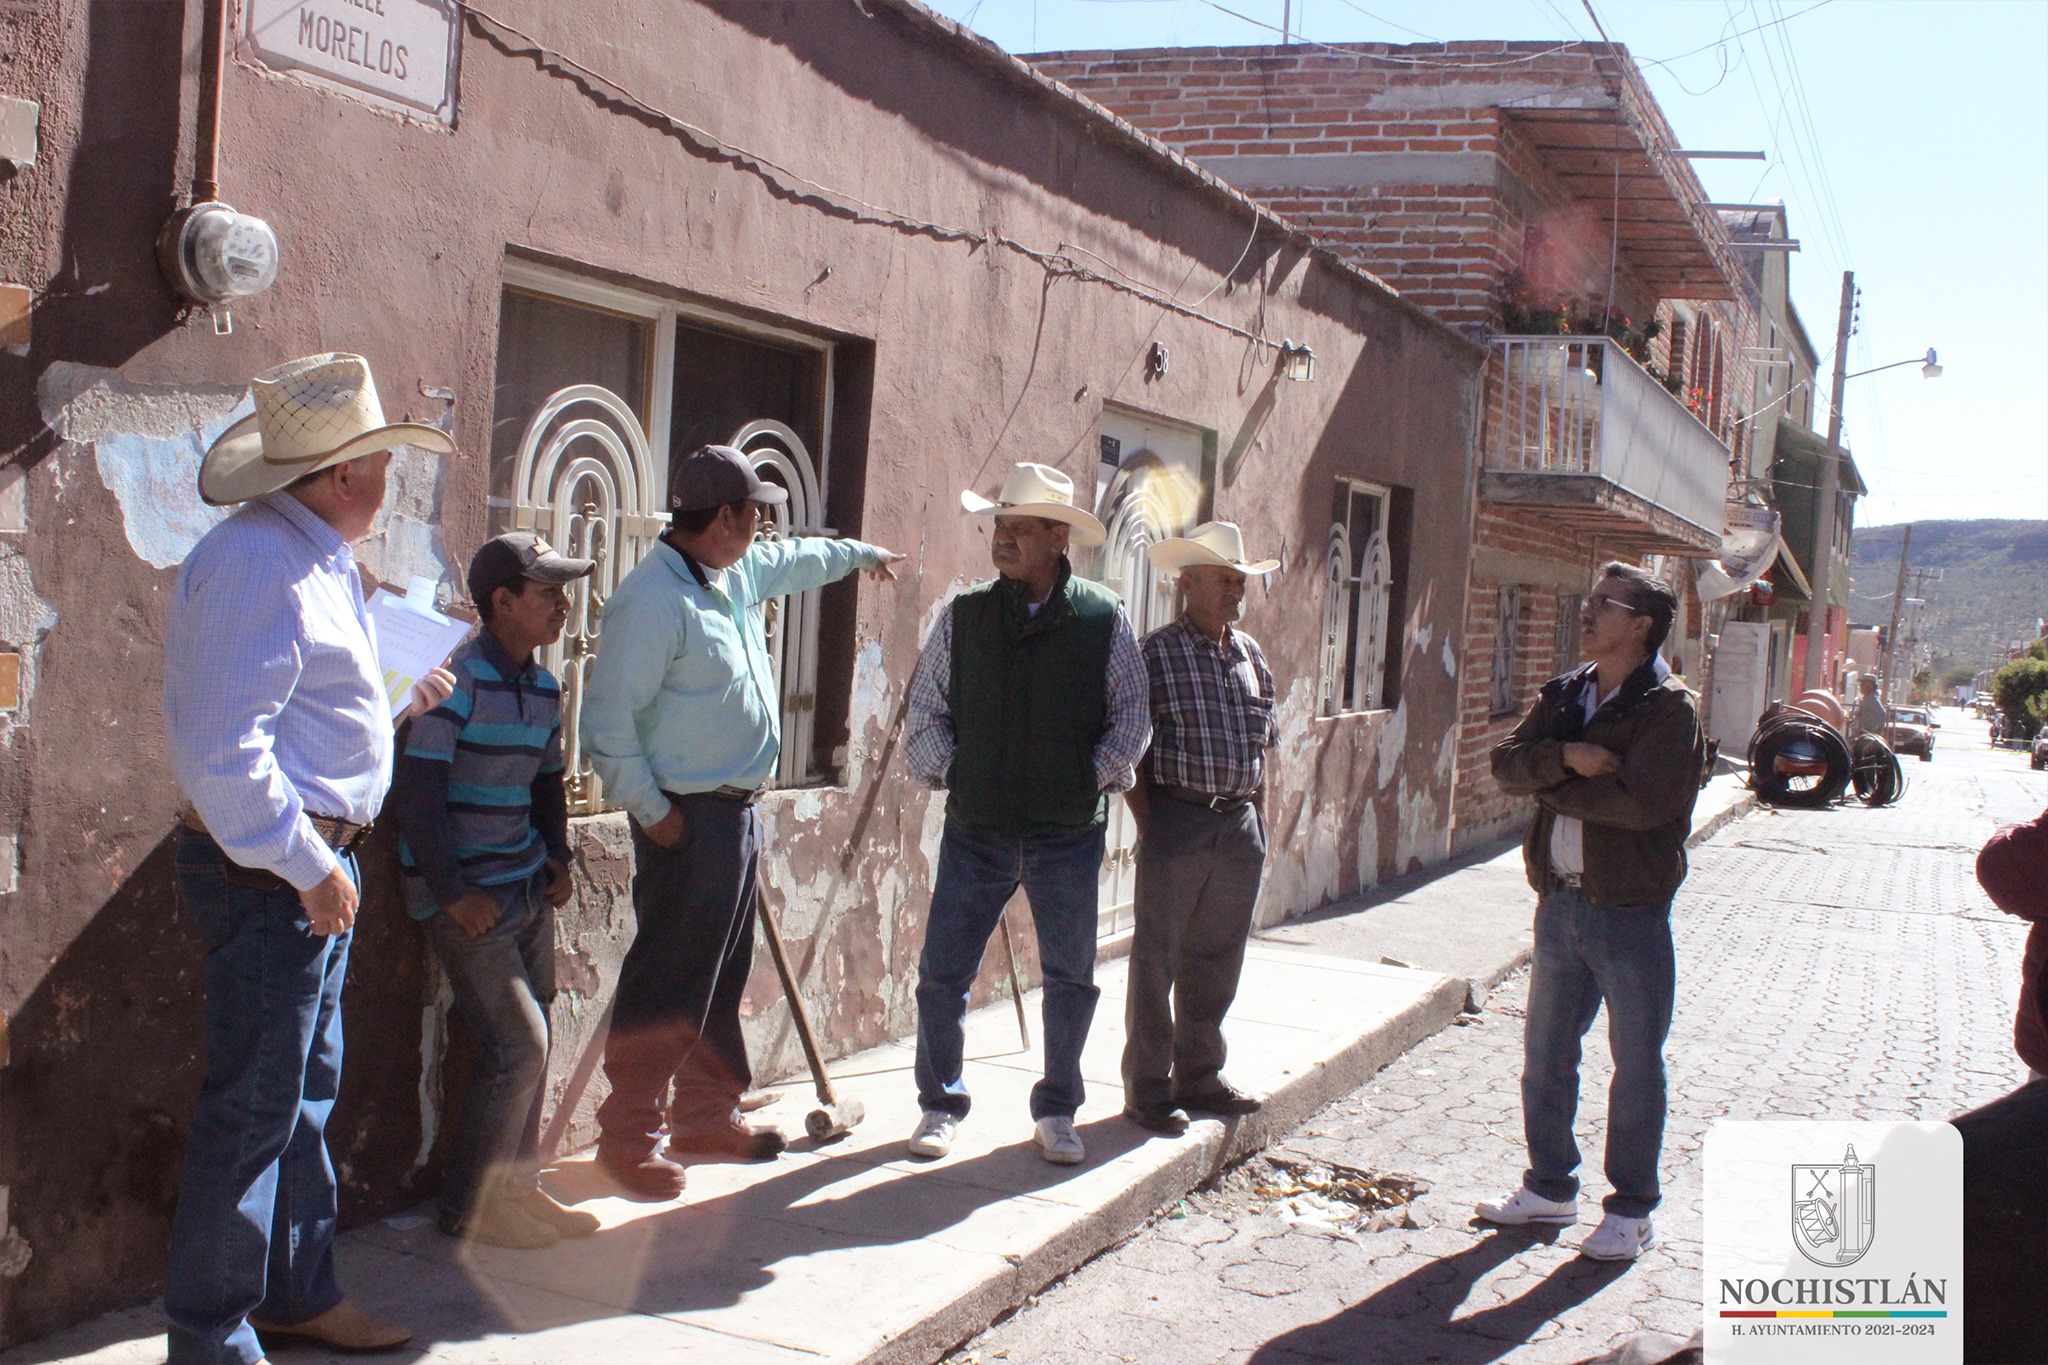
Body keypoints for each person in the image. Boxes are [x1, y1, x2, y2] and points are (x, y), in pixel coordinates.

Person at [163, 353, 455, 1363]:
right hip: (274, 874)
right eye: (379, 463)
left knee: (297, 1100)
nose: (388, 482)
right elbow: (222, 756)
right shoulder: (259, 561)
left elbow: (296, 726)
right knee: (253, 1110)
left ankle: (292, 1292)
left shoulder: (310, 556)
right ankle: (211, 1340)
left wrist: (393, 704)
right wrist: (309, 866)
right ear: (341, 476)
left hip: (303, 868)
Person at [580, 445, 902, 1200]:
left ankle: (705, 1113)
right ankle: (627, 1137)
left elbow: (796, 561)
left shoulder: (732, 573)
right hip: (686, 818)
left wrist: (859, 555)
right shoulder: (652, 600)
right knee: (670, 977)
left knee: (721, 971)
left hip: (735, 814)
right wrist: (654, 814)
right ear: (725, 518)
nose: (763, 527)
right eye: (755, 512)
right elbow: (606, 723)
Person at [903, 462, 1151, 1165]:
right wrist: (961, 771)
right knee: (942, 973)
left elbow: (1133, 716)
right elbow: (924, 709)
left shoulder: (1104, 618)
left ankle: (1058, 1109)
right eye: (999, 526)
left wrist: (1086, 779)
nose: (1002, 538)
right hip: (976, 831)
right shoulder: (966, 615)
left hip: (1067, 837)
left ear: (1057, 538)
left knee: (1071, 977)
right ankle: (938, 1103)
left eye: (1019, 528)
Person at [1479, 562, 1704, 1262]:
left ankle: (1632, 1208)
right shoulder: (1568, 693)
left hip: (1629, 913)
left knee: (1635, 1061)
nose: (1589, 610)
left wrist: (1550, 788)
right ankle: (1550, 1185)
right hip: (1560, 903)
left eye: (1605, 604)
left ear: (1640, 624)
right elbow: (1506, 763)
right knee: (1546, 1055)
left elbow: (1643, 805)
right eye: (1592, 599)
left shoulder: (1669, 708)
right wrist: (1569, 755)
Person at [389, 533, 602, 1249]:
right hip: (467, 900)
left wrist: (559, 856)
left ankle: (516, 1188)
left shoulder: (543, 686)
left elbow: (547, 783)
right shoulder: (457, 679)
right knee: (522, 1041)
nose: (562, 605)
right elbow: (417, 791)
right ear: (502, 602)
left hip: (523, 887)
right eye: (546, 592)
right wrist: (450, 892)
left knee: (534, 1033)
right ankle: (470, 1206)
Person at [1119, 522, 1279, 1137]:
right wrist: (1155, 824)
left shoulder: (1251, 656)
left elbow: (1267, 745)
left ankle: (1201, 1077)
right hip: (1178, 820)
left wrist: (1260, 822)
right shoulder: (1156, 652)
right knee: (1157, 960)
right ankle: (1148, 1089)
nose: (1234, 590)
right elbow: (1129, 749)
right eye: (1223, 579)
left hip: (1239, 825)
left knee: (1217, 958)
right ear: (1187, 583)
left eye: (1240, 581)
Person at [1852, 674, 1889, 739]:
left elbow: (1882, 714)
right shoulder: (1866, 698)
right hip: (1863, 732)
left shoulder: (1871, 699)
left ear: (1870, 686)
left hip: (1867, 733)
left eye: (1863, 684)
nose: (1860, 686)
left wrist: (1875, 730)